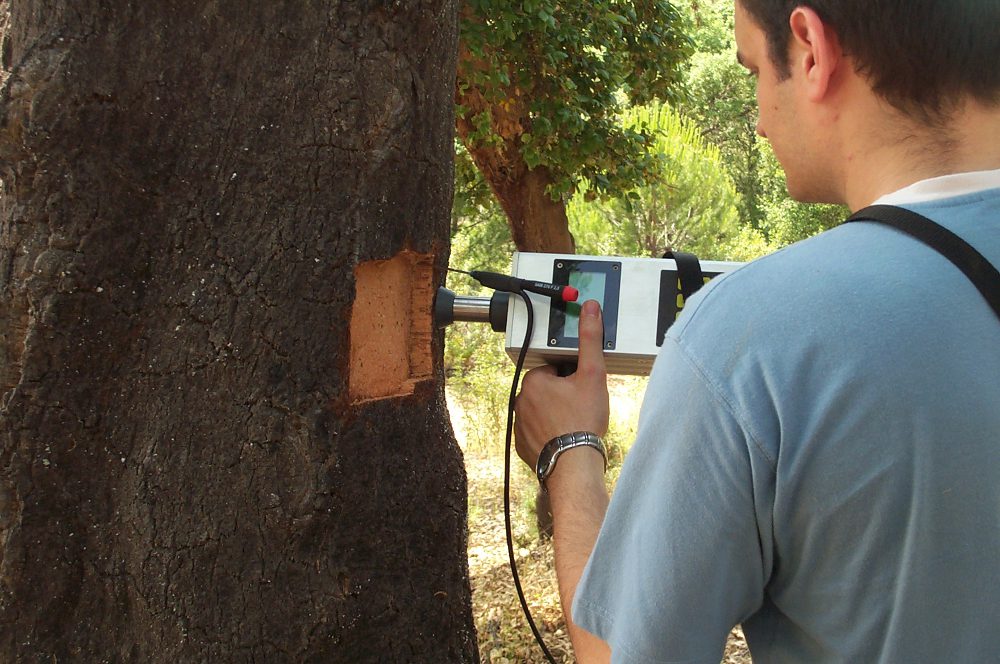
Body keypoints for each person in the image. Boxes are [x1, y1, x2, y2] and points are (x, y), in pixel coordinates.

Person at [513, 0, 1000, 662]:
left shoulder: (754, 338)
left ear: (808, 49)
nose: (760, 120)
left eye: (750, 71)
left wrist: (569, 452)